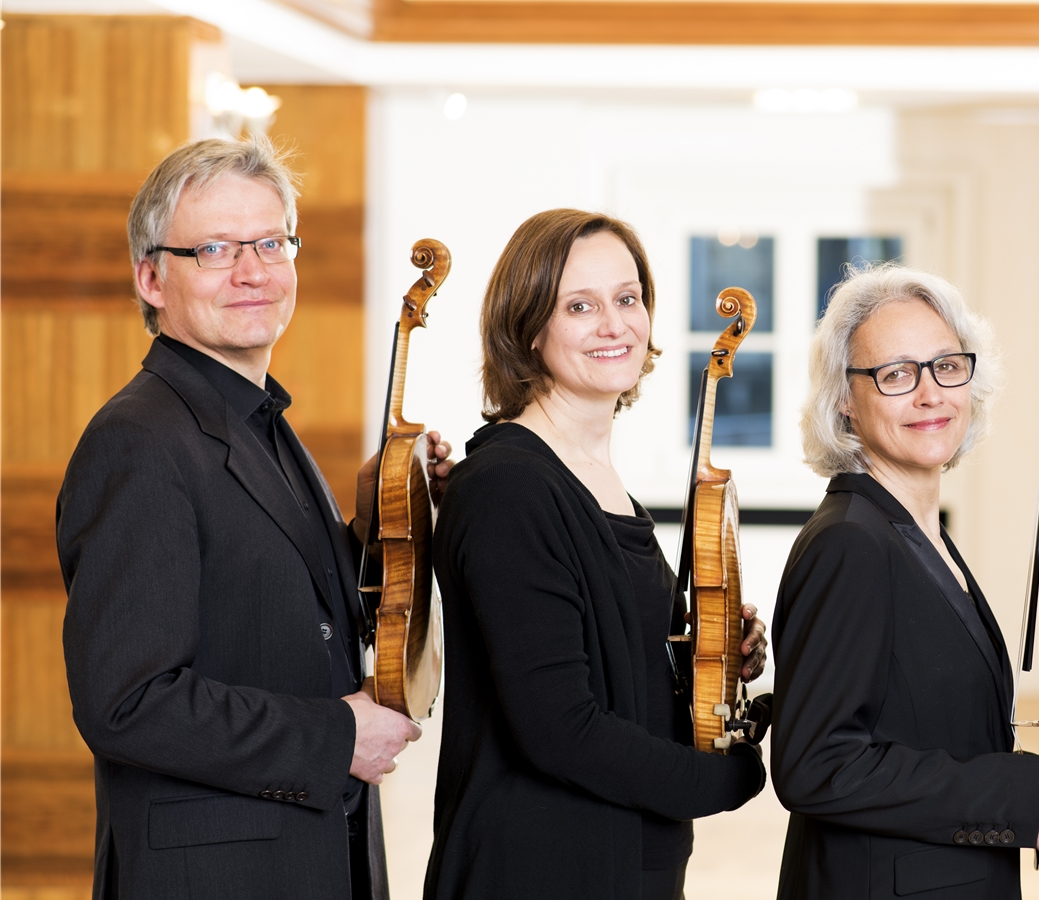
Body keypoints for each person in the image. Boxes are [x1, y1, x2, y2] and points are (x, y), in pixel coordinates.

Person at [58, 136, 450, 900]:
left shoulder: (262, 421)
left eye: (271, 242)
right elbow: (126, 702)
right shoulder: (137, 440)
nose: (253, 271)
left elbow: (286, 612)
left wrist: (380, 519)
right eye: (213, 249)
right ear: (151, 277)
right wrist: (336, 737)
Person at [423, 209, 768, 900]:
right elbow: (559, 727)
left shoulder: (597, 481)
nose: (614, 324)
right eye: (580, 305)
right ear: (528, 329)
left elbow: (624, 670)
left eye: (627, 298)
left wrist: (710, 655)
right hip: (536, 868)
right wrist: (724, 781)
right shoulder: (509, 486)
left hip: (616, 858)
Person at [770, 266, 1039, 900]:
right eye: (896, 374)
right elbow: (816, 764)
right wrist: (1018, 792)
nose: (930, 395)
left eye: (946, 366)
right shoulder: (851, 543)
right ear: (844, 398)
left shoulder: (914, 535)